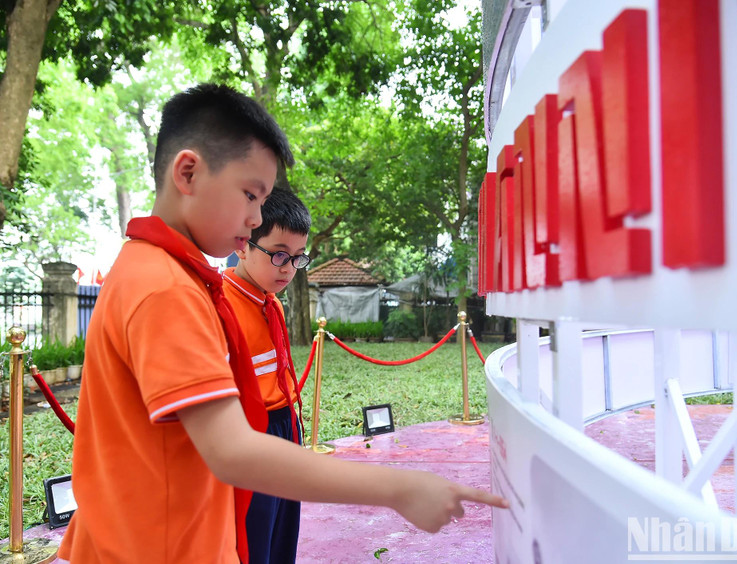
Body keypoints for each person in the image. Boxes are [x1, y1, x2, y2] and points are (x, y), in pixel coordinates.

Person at [57, 83, 507, 564]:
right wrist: (399, 487)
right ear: (187, 172)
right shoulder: (167, 288)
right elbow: (232, 451)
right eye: (250, 195)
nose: (254, 218)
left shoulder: (156, 271)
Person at [222, 186, 312, 563]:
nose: (288, 268)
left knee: (282, 531)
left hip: (284, 423)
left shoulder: (269, 300)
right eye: (278, 254)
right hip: (250, 431)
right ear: (243, 245)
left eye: (297, 258)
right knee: (254, 536)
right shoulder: (221, 303)